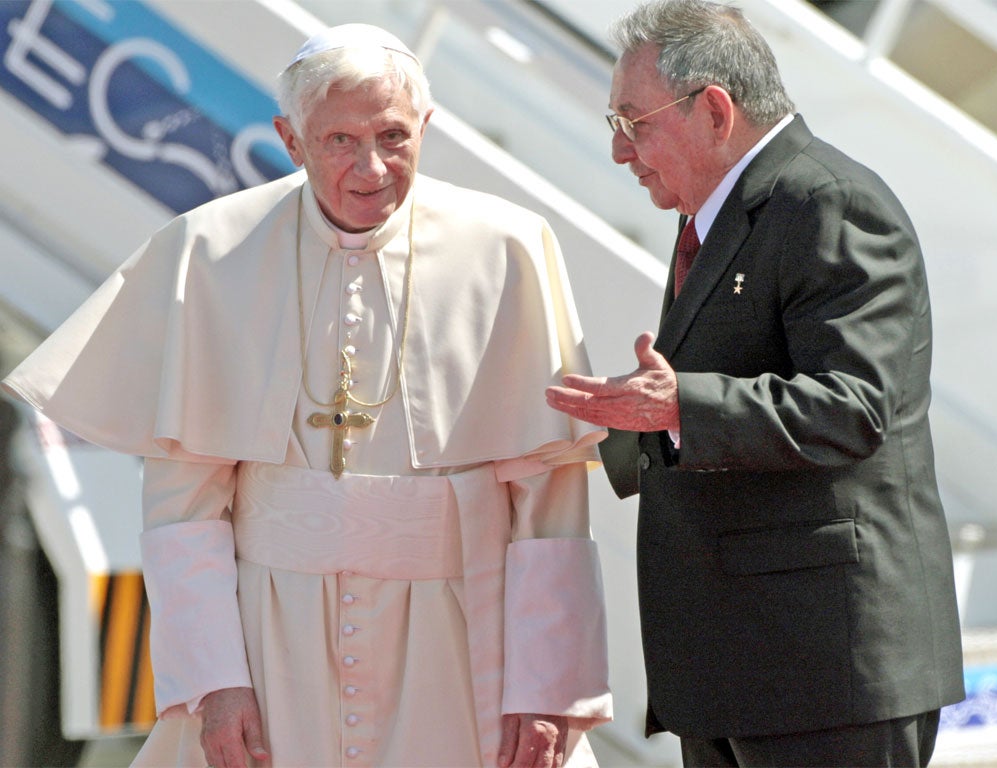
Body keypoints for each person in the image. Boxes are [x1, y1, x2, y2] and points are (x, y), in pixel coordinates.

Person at [3, 24, 613, 768]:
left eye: (393, 135)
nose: (372, 167)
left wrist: (546, 687)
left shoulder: (508, 248)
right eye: (340, 141)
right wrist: (215, 684)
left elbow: (550, 498)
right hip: (272, 641)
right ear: (290, 140)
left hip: (458, 639)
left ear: (426, 127)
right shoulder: (210, 250)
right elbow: (183, 510)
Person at [546, 1, 964, 765]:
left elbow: (853, 407)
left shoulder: (829, 200)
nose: (618, 149)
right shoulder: (715, 213)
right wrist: (568, 441)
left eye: (634, 121)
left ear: (713, 109)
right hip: (737, 669)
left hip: (827, 672)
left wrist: (677, 405)